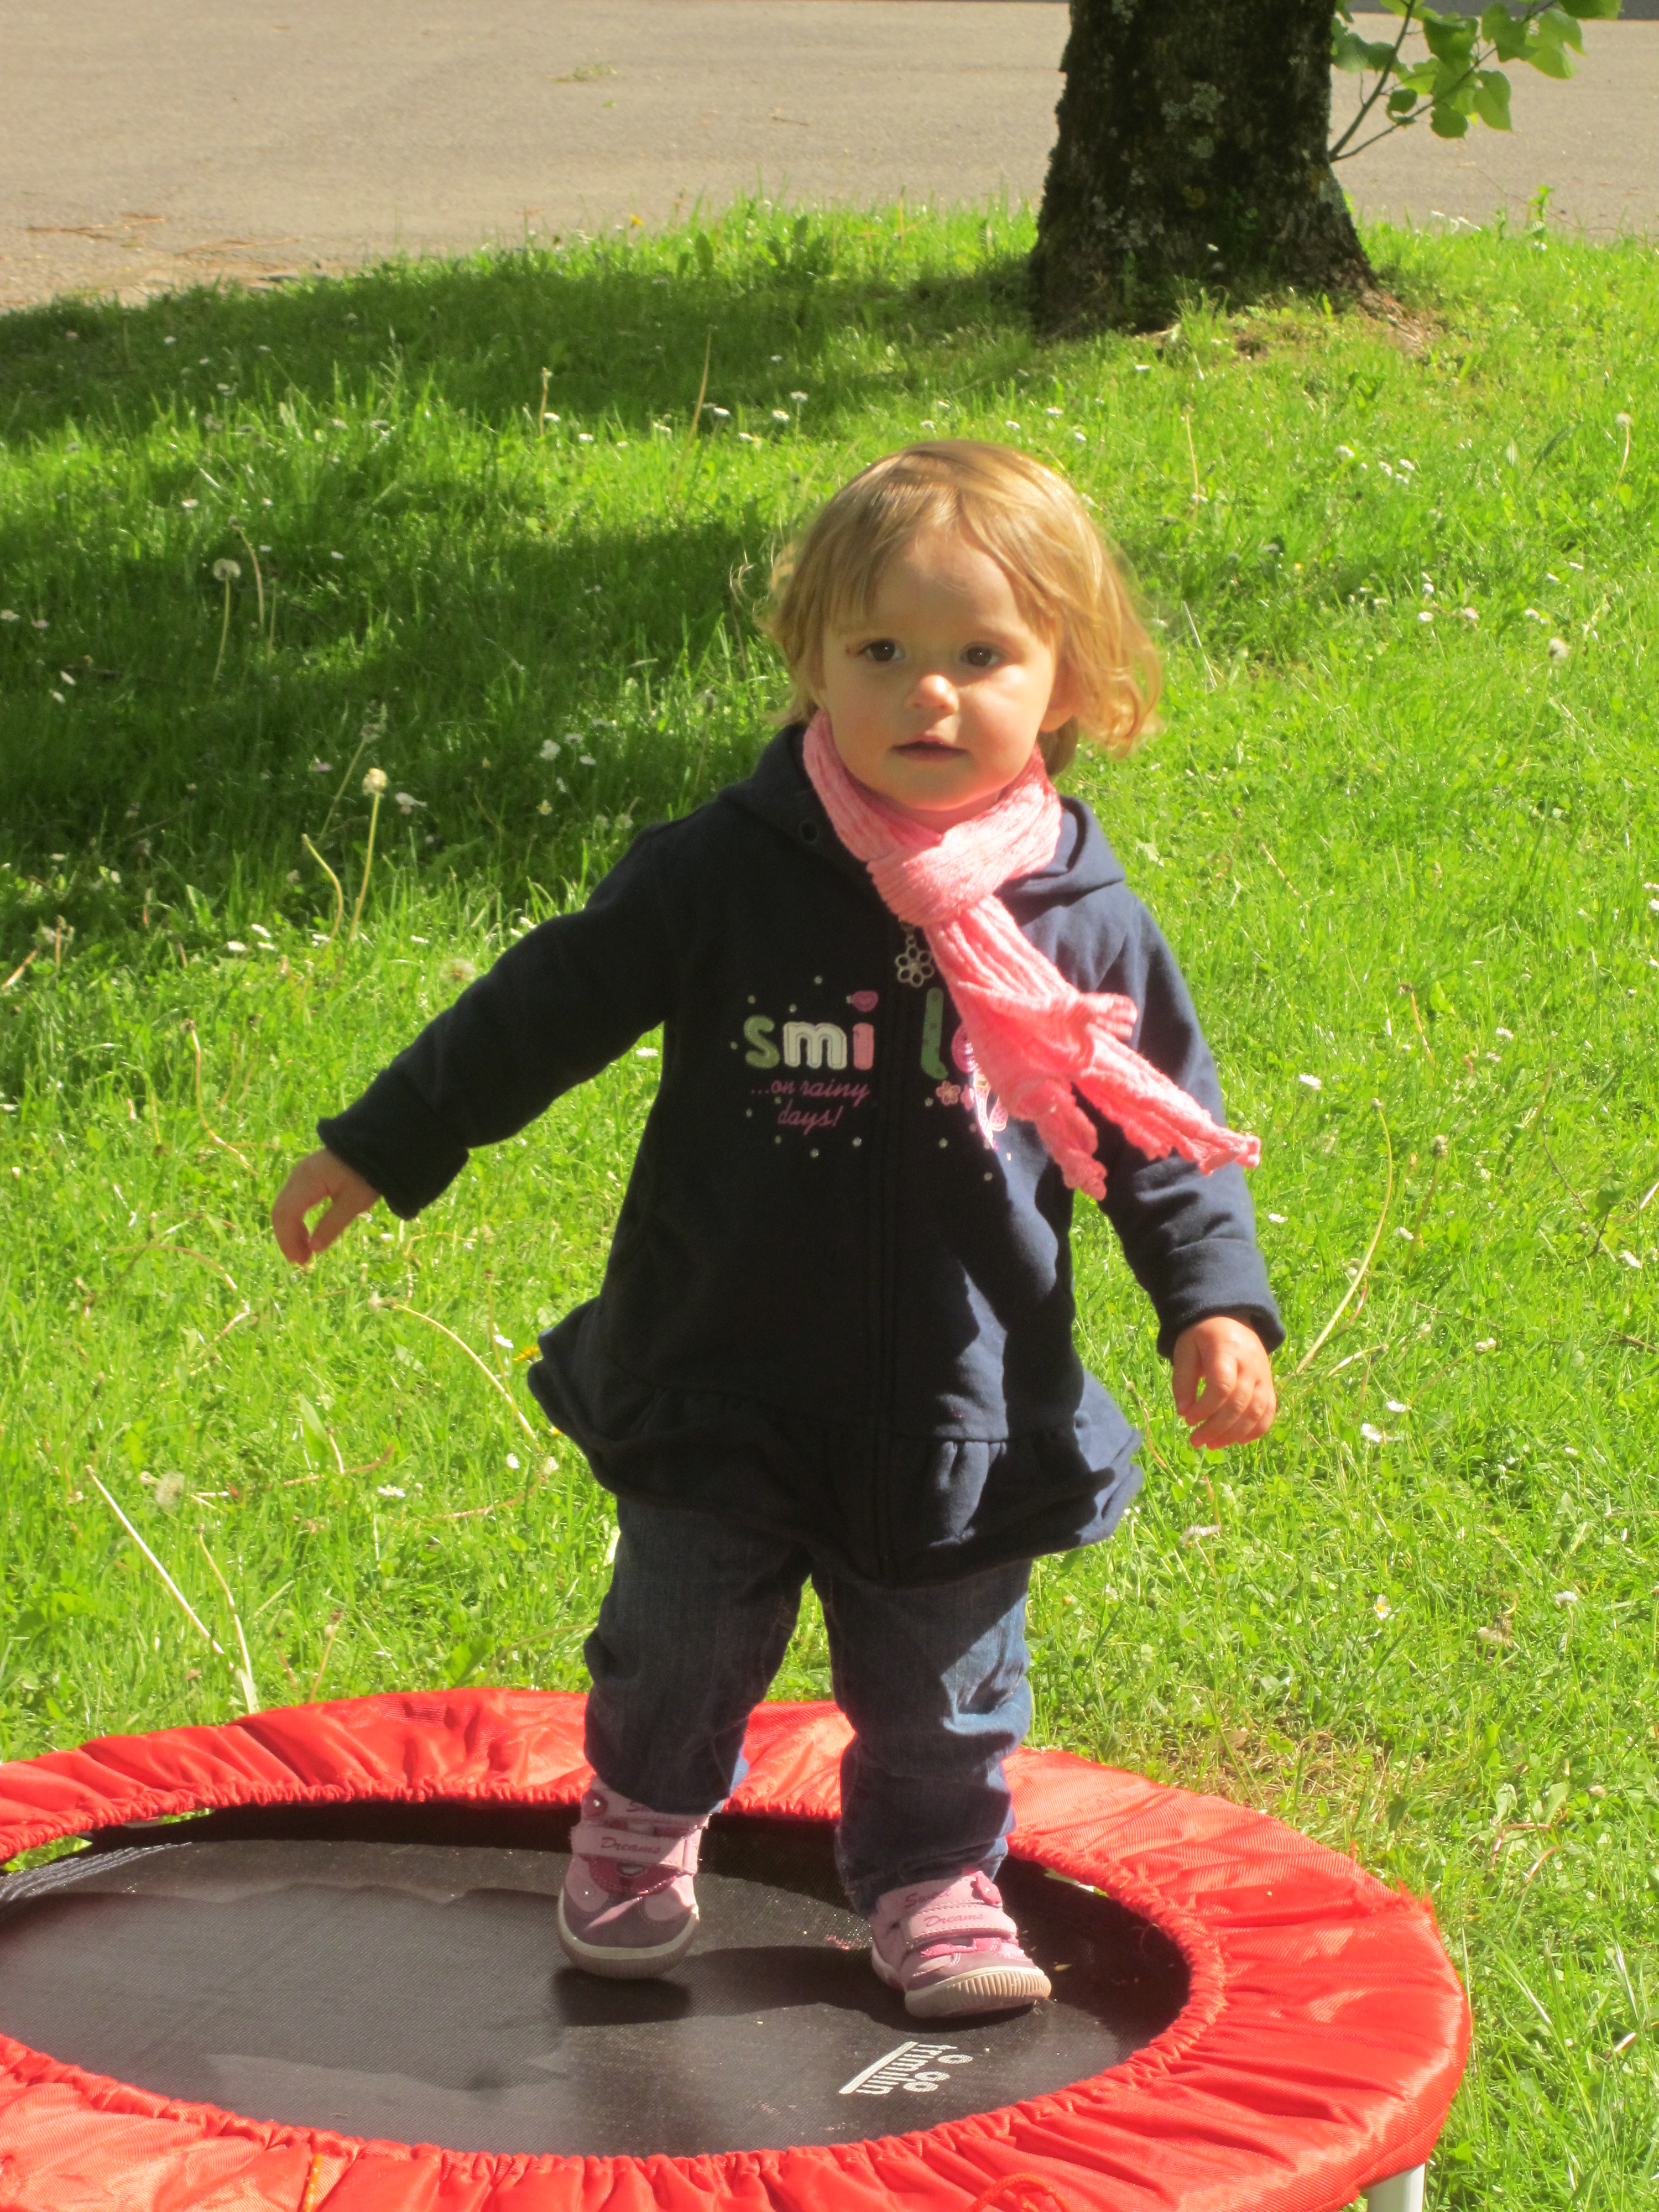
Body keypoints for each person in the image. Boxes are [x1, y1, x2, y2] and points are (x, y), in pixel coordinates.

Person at [271, 441, 1281, 2022]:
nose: (929, 693)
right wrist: (381, 1143)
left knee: (947, 1687)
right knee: (675, 1642)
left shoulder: (1081, 919)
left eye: (981, 656)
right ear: (809, 661)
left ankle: (932, 1881)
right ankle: (638, 1825)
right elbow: (543, 1009)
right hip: (720, 1361)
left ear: (1070, 682)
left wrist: (1211, 1305)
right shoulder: (723, 874)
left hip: (959, 1394)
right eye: (880, 649)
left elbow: (1162, 1135)